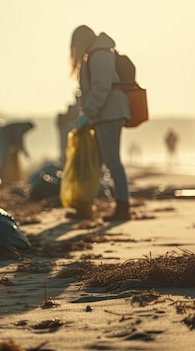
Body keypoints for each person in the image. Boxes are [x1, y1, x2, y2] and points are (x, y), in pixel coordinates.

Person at [69, 25, 131, 221]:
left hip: (110, 114)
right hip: (102, 114)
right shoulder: (95, 54)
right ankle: (86, 205)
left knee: (112, 161)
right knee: (95, 162)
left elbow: (101, 87)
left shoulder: (100, 55)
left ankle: (123, 208)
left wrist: (88, 113)